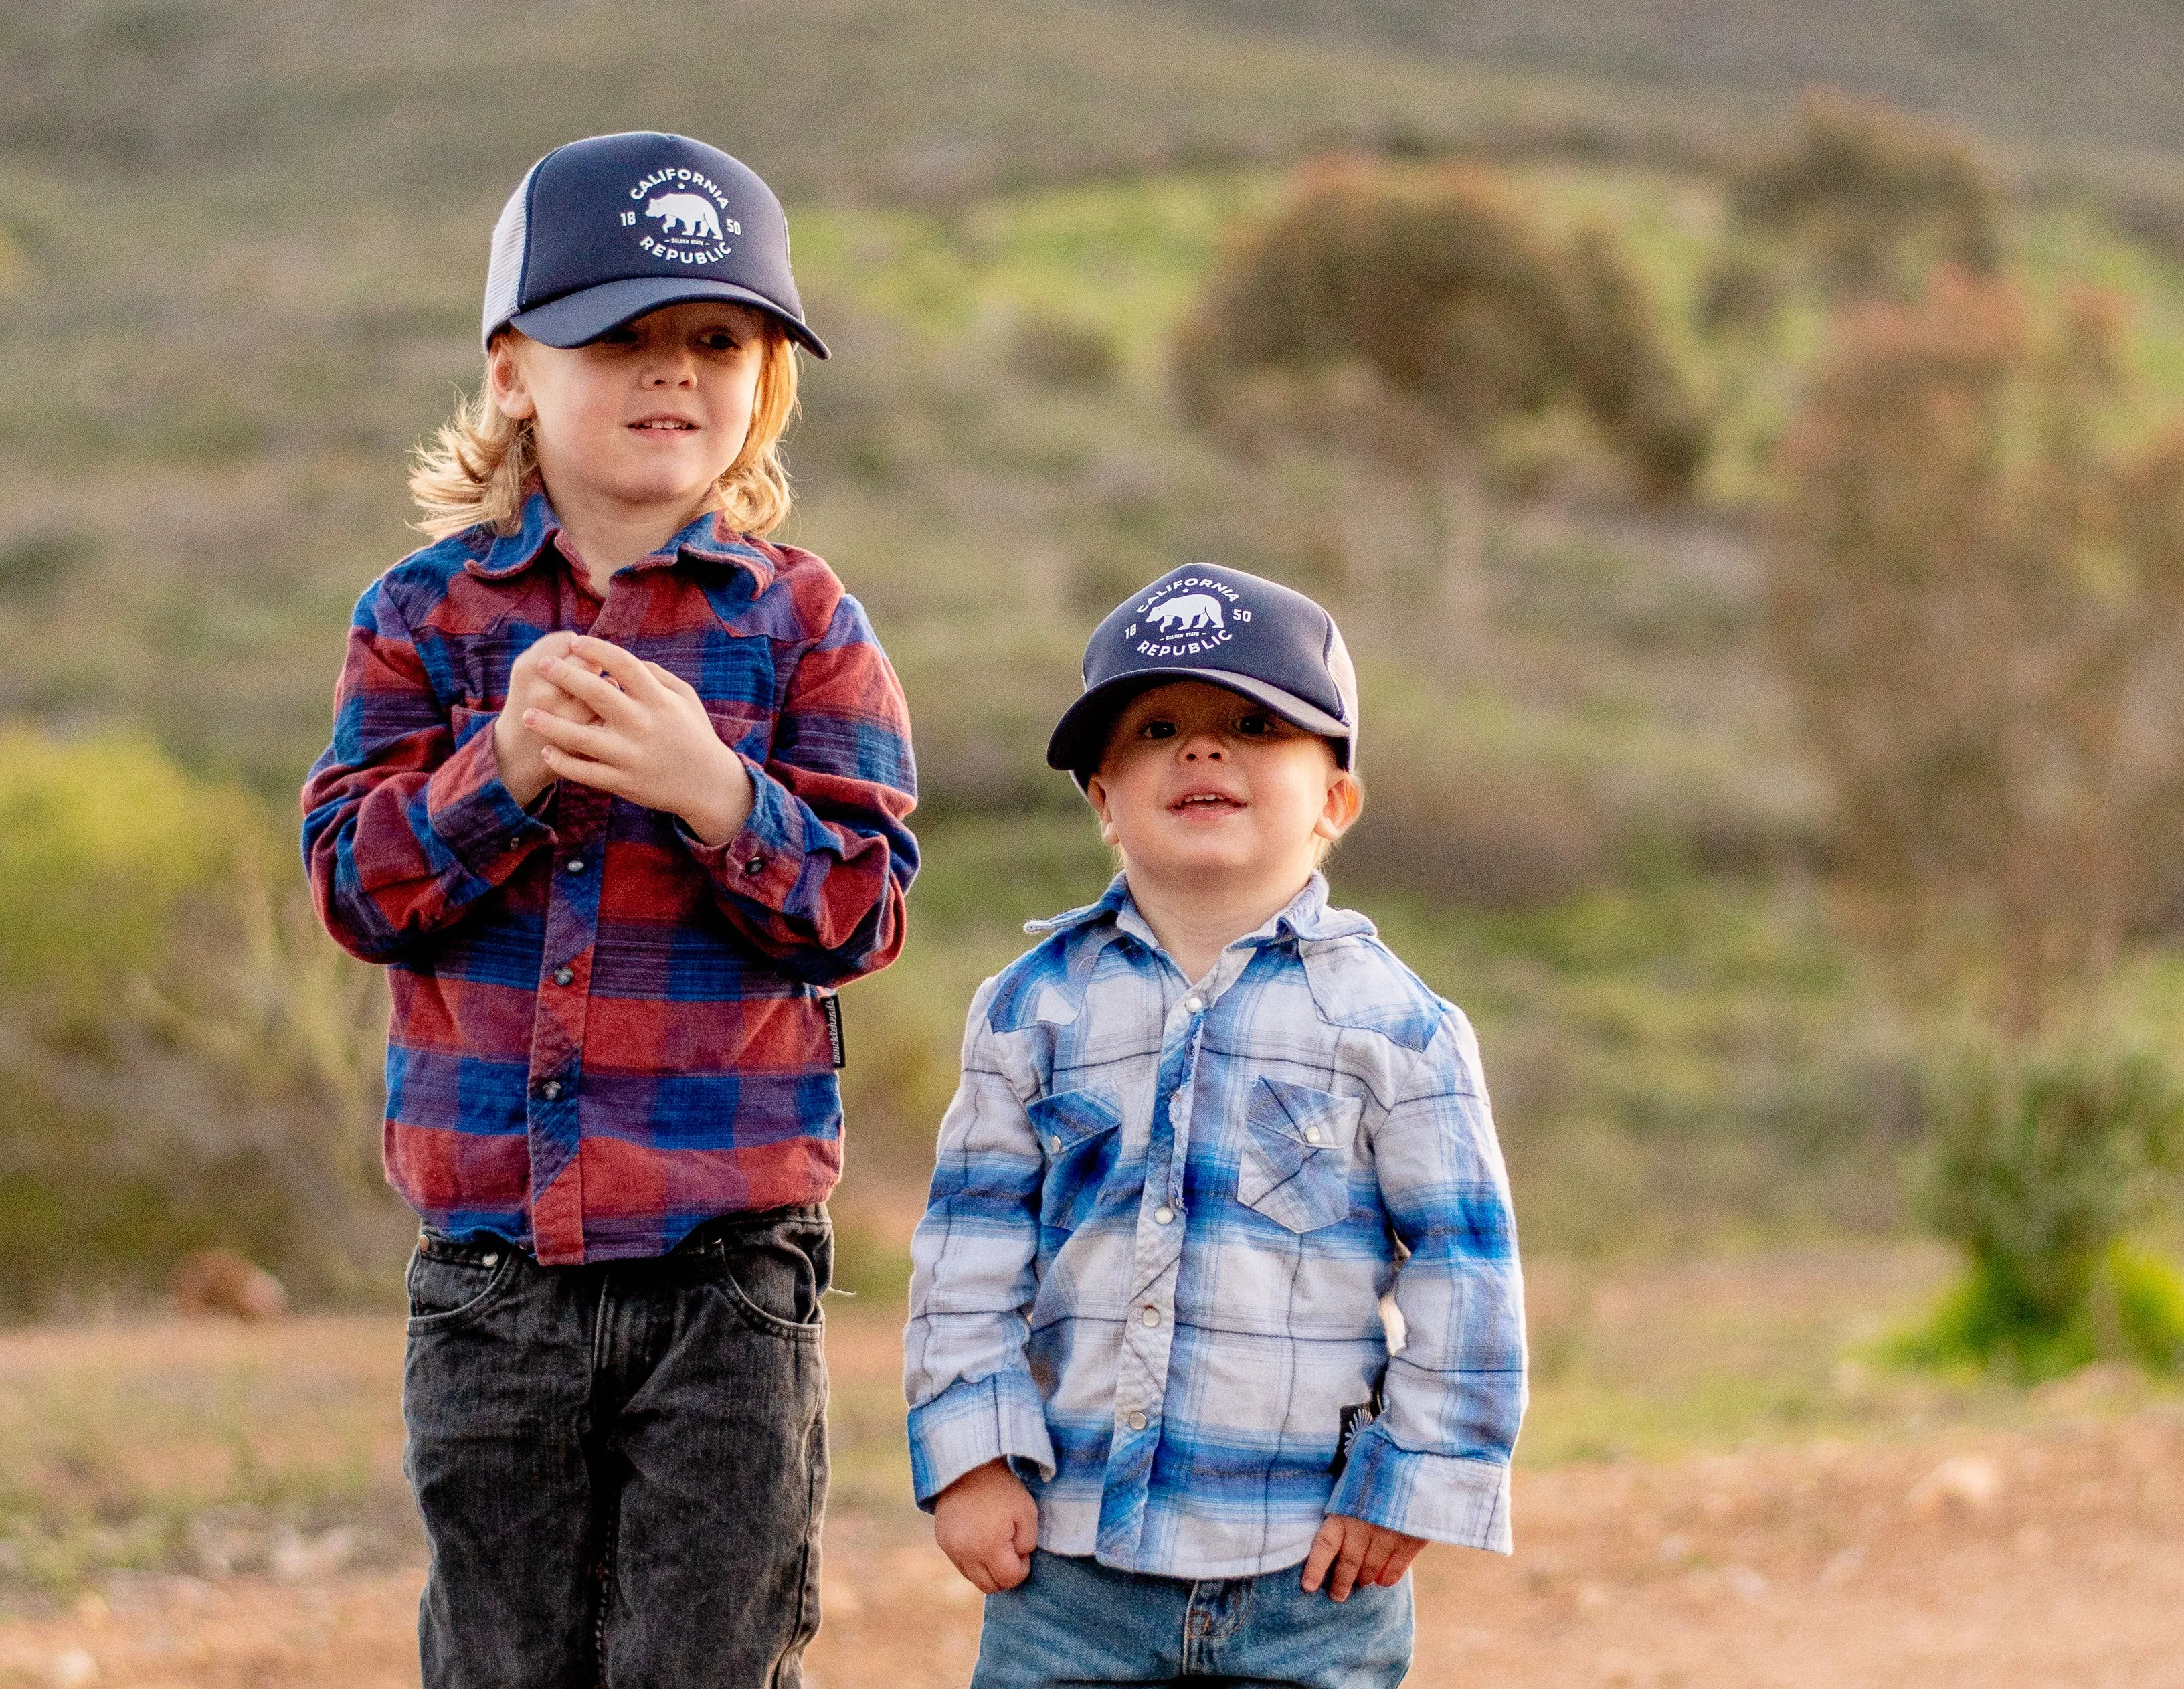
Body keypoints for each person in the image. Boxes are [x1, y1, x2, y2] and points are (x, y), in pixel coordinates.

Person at [301, 130, 917, 1689]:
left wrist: (715, 790)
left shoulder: (803, 623)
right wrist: (495, 764)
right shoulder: (421, 617)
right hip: (491, 1274)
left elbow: (857, 908)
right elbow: (353, 887)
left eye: (717, 340)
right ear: (513, 370)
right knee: (499, 1658)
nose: (672, 373)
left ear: (767, 380)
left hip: (729, 1278)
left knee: (707, 1661)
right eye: (619, 336)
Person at [903, 563, 1525, 1688]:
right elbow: (967, 1255)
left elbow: (1464, 1271)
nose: (1202, 750)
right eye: (1158, 727)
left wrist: (1415, 1479)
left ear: (1334, 797)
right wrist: (971, 1457)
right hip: (1068, 1570)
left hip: (1312, 1580)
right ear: (1101, 796)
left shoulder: (1400, 1029)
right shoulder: (1030, 1008)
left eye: (1252, 723)